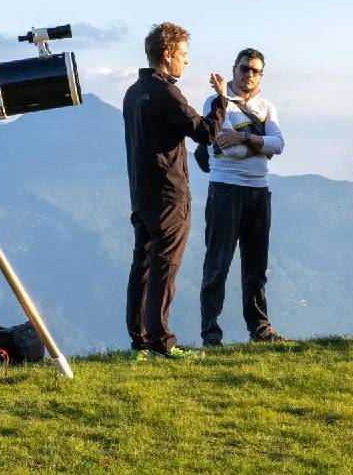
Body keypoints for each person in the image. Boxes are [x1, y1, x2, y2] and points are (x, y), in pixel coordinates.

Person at [123, 22, 227, 360]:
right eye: (183, 55)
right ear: (167, 55)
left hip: (141, 191)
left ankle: (139, 341)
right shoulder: (165, 92)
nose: (186, 62)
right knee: (165, 266)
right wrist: (221, 101)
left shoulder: (134, 92)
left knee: (142, 265)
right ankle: (161, 342)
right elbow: (206, 132)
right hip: (169, 194)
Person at [199, 48, 287, 346]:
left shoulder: (267, 106)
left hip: (259, 191)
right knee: (217, 264)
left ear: (261, 76)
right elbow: (225, 146)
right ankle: (211, 333)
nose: (249, 74)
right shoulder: (216, 101)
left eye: (255, 70)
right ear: (233, 69)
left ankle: (260, 329)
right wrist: (259, 146)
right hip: (226, 188)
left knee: (256, 265)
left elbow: (279, 144)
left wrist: (245, 138)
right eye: (244, 68)